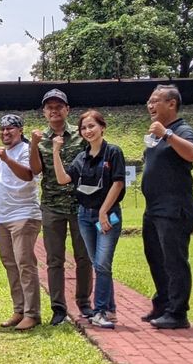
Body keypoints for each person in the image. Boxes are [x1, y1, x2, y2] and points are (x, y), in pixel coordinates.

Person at [51, 110, 126, 329]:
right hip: (84, 215)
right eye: (84, 128)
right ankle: (110, 310)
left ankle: (100, 311)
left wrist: (103, 211)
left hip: (108, 215)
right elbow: (63, 178)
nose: (88, 131)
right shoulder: (81, 157)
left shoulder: (113, 153)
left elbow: (118, 183)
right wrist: (56, 152)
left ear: (102, 127)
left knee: (102, 263)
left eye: (92, 126)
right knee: (98, 264)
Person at [29, 89, 93, 326]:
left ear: (67, 109)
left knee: (83, 257)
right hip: (52, 206)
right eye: (49, 107)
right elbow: (35, 170)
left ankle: (84, 302)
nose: (54, 110)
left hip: (80, 204)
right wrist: (33, 144)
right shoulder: (39, 138)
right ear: (44, 112)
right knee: (54, 259)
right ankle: (58, 308)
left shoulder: (81, 134)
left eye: (59, 106)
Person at [141, 84, 193, 329]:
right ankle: (163, 304)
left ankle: (178, 313)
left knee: (174, 261)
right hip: (153, 209)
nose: (150, 105)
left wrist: (167, 134)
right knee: (155, 258)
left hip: (174, 209)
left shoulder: (182, 130)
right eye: (149, 101)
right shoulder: (157, 134)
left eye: (155, 101)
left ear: (172, 104)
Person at [0, 114, 42, 331]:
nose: (5, 133)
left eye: (10, 129)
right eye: (2, 129)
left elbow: (28, 176)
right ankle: (19, 309)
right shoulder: (5, 153)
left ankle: (32, 313)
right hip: (2, 217)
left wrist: (6, 160)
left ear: (20, 130)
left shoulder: (26, 149)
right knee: (10, 265)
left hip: (23, 215)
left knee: (25, 264)